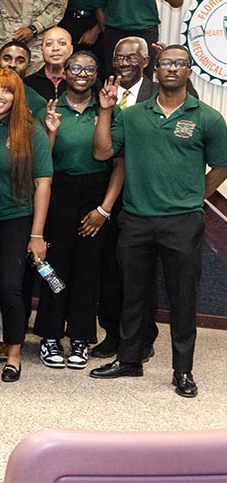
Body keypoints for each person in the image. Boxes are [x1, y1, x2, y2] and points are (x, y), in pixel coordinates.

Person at [90, 46, 227, 398]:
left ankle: (183, 371)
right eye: (166, 62)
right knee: (134, 295)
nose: (172, 68)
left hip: (182, 222)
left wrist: (196, 196)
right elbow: (103, 152)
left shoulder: (208, 118)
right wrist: (105, 112)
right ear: (156, 70)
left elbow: (222, 165)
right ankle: (130, 360)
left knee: (183, 298)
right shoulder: (133, 115)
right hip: (136, 219)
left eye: (180, 63)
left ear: (189, 72)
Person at [35, 50, 123, 370]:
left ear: (96, 73)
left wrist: (105, 209)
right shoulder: (51, 110)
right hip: (59, 192)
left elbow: (116, 163)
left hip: (97, 196)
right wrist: (52, 129)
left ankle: (81, 338)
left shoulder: (110, 111)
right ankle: (49, 336)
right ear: (64, 73)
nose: (81, 73)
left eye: (89, 68)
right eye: (75, 68)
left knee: (88, 269)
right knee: (55, 267)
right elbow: (40, 160)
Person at [0, 67, 53, 382]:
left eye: (6, 91)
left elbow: (43, 185)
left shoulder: (31, 131)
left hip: (18, 218)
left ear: (17, 96)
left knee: (10, 286)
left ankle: (14, 355)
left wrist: (37, 234)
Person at [25, 27, 73, 101]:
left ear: (71, 49)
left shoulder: (82, 82)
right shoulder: (28, 84)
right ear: (42, 50)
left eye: (62, 43)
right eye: (49, 44)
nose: (55, 48)